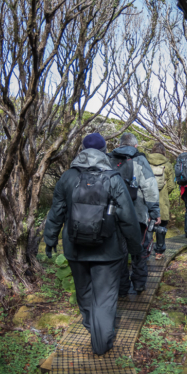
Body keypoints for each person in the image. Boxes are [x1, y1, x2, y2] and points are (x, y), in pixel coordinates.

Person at [43, 133, 141, 355]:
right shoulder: (113, 178)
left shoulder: (68, 177)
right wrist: (135, 250)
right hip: (109, 251)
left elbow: (56, 212)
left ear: (82, 149)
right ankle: (102, 342)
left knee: (84, 293)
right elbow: (128, 218)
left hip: (75, 249)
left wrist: (50, 240)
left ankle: (92, 328)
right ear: (105, 150)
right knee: (105, 297)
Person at [108, 132, 160, 295]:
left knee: (119, 250)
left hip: (115, 212)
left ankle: (122, 286)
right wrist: (154, 211)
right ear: (135, 145)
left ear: (119, 144)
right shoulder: (140, 159)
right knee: (140, 247)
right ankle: (138, 283)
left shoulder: (109, 159)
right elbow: (150, 187)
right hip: (138, 212)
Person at [146, 143, 175, 260]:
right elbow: (172, 185)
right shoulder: (167, 165)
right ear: (163, 152)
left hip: (147, 201)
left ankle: (146, 251)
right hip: (161, 201)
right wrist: (163, 194)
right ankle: (159, 252)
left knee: (147, 227)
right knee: (161, 226)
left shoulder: (145, 162)